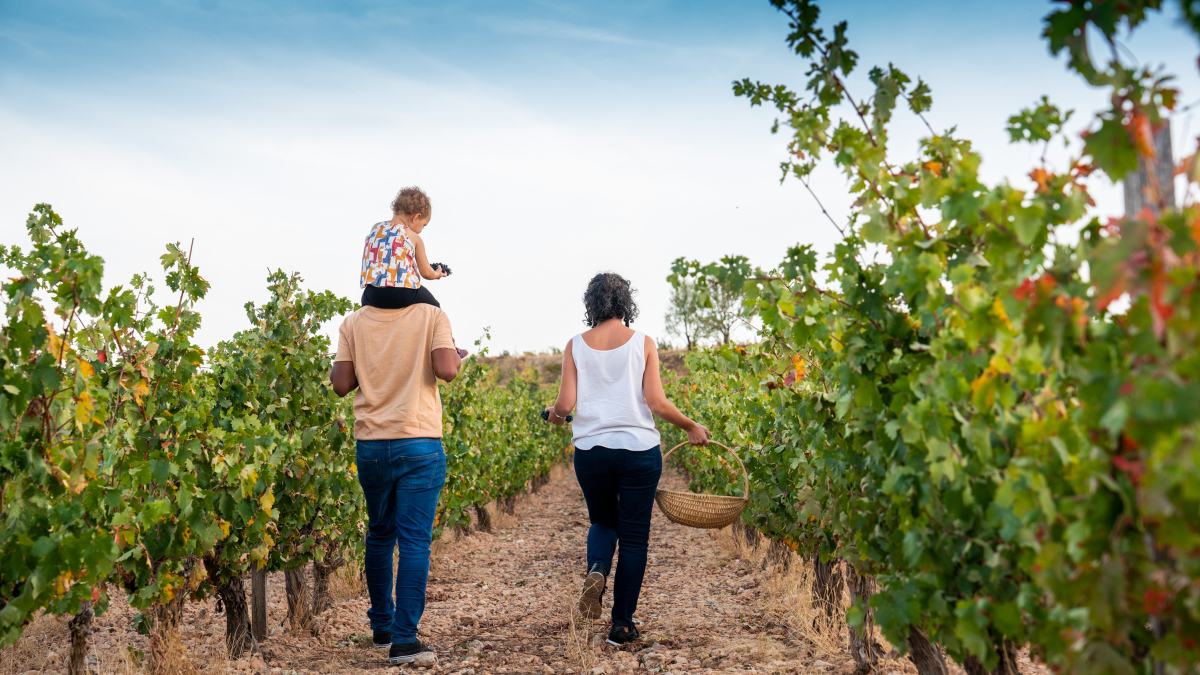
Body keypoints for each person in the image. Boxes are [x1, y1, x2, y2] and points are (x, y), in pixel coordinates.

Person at [543, 272, 710, 646]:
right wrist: (690, 425)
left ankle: (598, 567)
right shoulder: (644, 343)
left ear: (592, 303)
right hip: (638, 451)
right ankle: (621, 625)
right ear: (625, 303)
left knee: (602, 521)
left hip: (592, 452)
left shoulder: (575, 345)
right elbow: (657, 403)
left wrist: (554, 415)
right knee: (634, 537)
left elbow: (565, 405)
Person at [329, 297, 462, 665]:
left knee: (380, 533)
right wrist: (454, 355)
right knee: (415, 540)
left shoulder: (353, 322)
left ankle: (382, 627)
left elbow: (341, 384)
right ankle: (404, 641)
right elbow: (447, 370)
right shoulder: (432, 315)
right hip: (418, 440)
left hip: (370, 445)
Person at [360, 186, 450, 310]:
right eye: (423, 225)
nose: (421, 230)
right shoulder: (413, 237)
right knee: (435, 308)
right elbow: (426, 273)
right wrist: (437, 274)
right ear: (416, 217)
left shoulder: (376, 228)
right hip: (402, 293)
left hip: (370, 295)